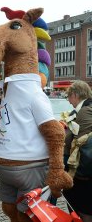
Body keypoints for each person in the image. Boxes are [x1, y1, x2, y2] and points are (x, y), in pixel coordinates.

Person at [62, 81, 92, 221]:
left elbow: (79, 143)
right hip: (83, 173)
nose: (68, 101)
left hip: (83, 174)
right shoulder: (83, 109)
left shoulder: (85, 111)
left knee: (83, 210)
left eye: (69, 96)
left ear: (75, 95)